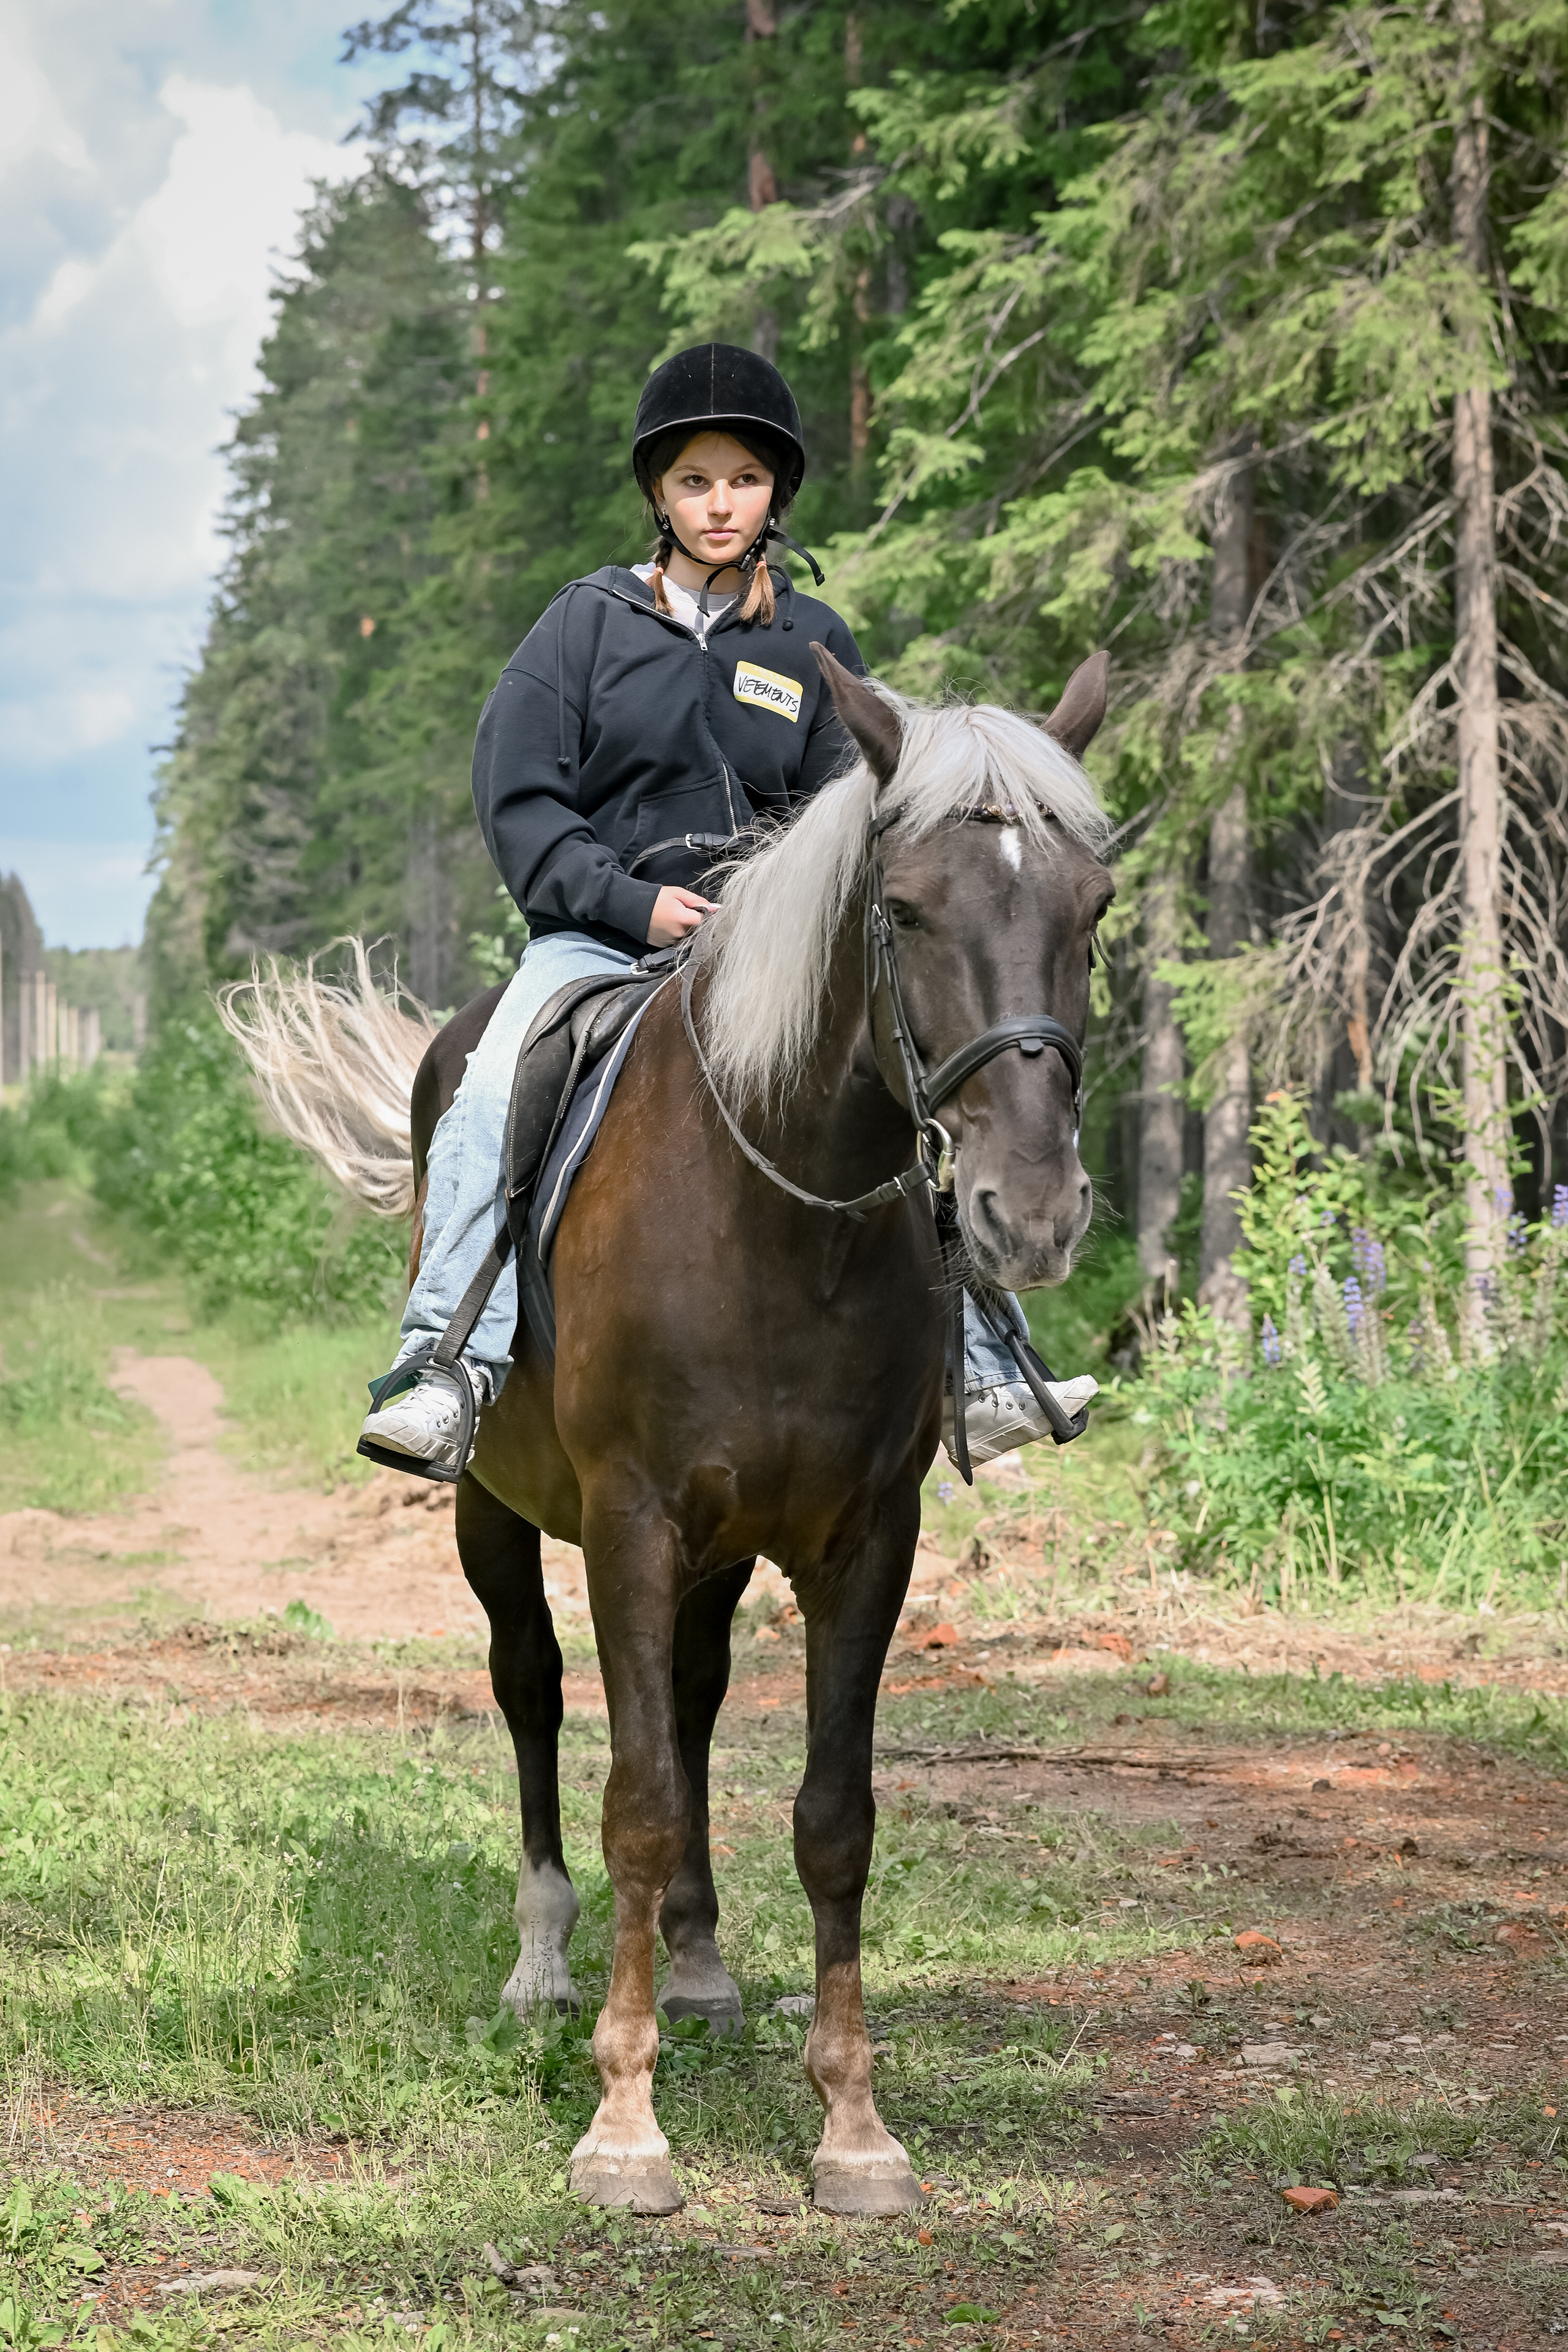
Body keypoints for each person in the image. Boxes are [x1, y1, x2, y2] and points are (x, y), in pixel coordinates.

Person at [359, 342, 1094, 1475]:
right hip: (598, 944)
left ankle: (986, 1362)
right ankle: (447, 1364)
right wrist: (628, 901)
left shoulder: (815, 648)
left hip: (767, 967)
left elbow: (854, 822)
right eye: (695, 480)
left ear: (774, 495)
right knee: (496, 1080)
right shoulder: (582, 630)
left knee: (908, 1082)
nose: (719, 504)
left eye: (742, 480)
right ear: (659, 492)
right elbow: (520, 796)